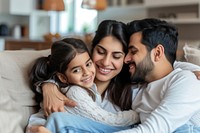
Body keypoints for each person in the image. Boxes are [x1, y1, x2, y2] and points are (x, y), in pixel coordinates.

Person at [29, 19, 200, 133]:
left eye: (118, 56)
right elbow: (46, 115)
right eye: (100, 52)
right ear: (91, 50)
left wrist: (191, 69)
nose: (105, 62)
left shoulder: (135, 87)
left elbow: (166, 67)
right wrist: (48, 85)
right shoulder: (70, 84)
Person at [26, 37, 140, 133]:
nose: (86, 72)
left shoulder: (131, 88)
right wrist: (139, 114)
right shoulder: (74, 92)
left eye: (88, 64)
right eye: (76, 70)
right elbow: (106, 121)